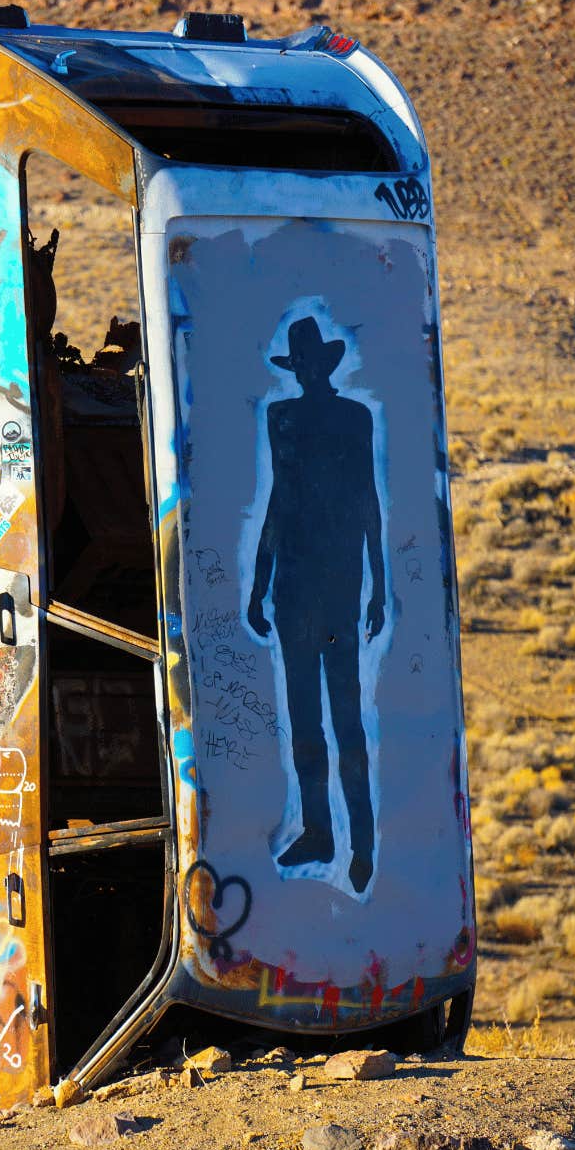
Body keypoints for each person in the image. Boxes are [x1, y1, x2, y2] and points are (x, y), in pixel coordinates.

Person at [247, 317, 385, 893]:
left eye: (308, 364)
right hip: (300, 589)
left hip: (332, 589)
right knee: (309, 717)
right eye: (299, 365)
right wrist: (259, 586)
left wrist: (379, 582)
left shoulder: (352, 419)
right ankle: (321, 831)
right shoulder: (285, 419)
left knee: (344, 718)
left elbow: (367, 500)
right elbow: (278, 505)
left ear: (319, 367)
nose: (304, 373)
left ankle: (361, 842)